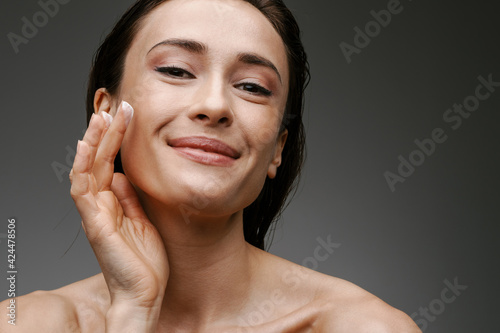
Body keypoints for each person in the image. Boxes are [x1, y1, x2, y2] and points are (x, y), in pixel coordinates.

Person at [1, 0, 421, 331]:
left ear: (277, 147)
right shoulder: (24, 325)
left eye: (253, 87)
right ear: (106, 112)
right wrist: (134, 312)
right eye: (176, 70)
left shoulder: (360, 327)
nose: (215, 105)